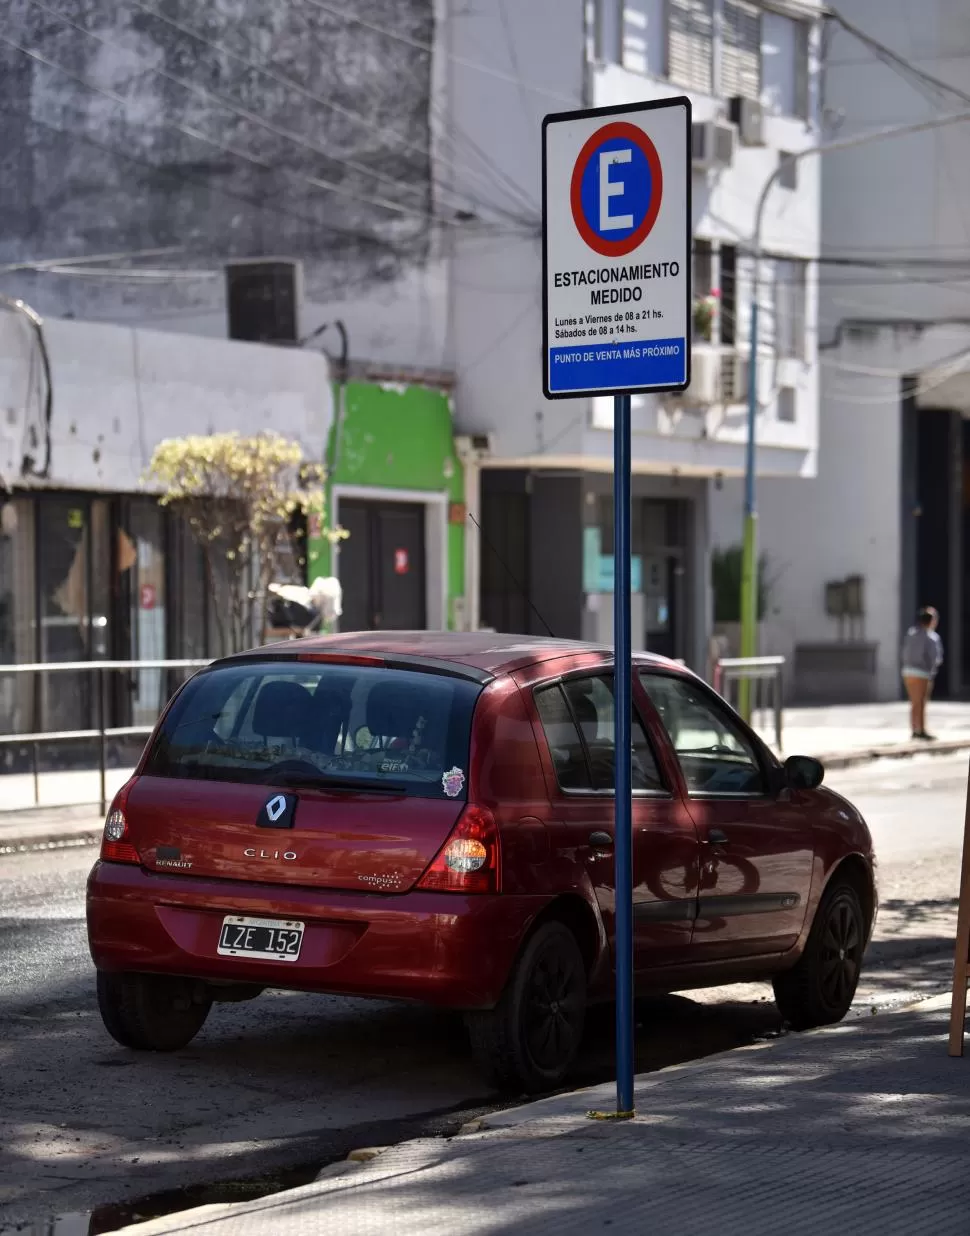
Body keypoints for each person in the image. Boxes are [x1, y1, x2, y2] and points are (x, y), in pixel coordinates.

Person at [901, 606, 944, 740]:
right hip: (923, 673)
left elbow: (905, 652)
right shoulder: (931, 637)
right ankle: (922, 730)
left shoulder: (911, 633)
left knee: (914, 702)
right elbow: (935, 657)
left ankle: (914, 729)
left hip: (908, 671)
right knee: (922, 702)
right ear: (932, 621)